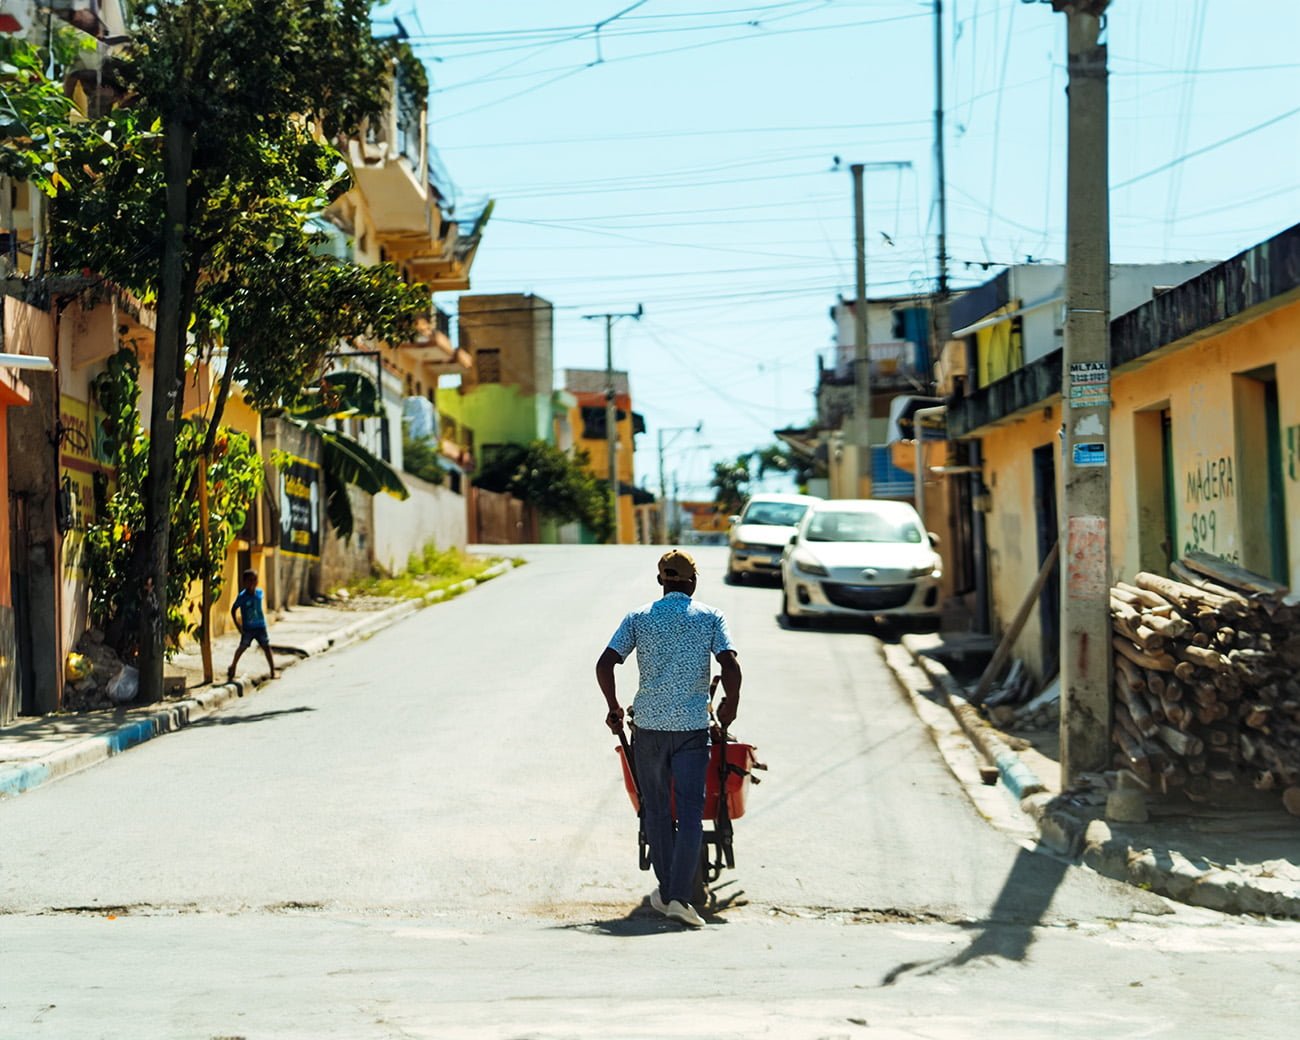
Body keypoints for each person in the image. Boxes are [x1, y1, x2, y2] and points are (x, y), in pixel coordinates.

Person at [596, 549, 742, 928]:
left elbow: (606, 662)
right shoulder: (710, 617)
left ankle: (668, 891)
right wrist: (730, 705)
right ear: (693, 581)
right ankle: (679, 896)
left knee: (657, 810)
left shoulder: (639, 618)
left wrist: (613, 707)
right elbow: (729, 664)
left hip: (648, 728)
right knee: (691, 812)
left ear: (661, 580)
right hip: (692, 729)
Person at [227, 568, 275, 682]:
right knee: (242, 647)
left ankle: (273, 671)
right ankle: (233, 667)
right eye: (250, 580)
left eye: (255, 580)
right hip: (248, 628)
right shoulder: (242, 597)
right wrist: (238, 626)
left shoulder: (260, 593)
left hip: (260, 627)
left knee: (267, 648)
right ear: (244, 582)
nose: (253, 582)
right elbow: (233, 610)